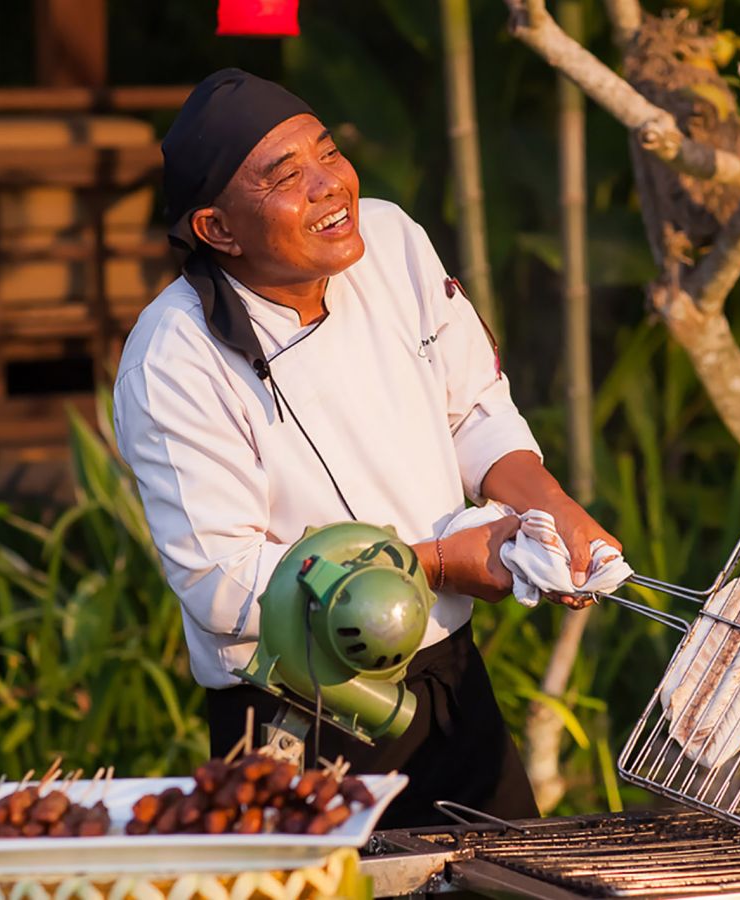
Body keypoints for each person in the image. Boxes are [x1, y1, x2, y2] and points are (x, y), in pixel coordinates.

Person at [113, 68, 620, 826]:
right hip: (298, 713)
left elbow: (473, 410)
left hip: (450, 683)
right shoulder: (173, 358)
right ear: (218, 229)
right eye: (287, 176)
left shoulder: (389, 239)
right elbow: (221, 584)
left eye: (327, 153)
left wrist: (552, 510)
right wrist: (441, 563)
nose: (329, 186)